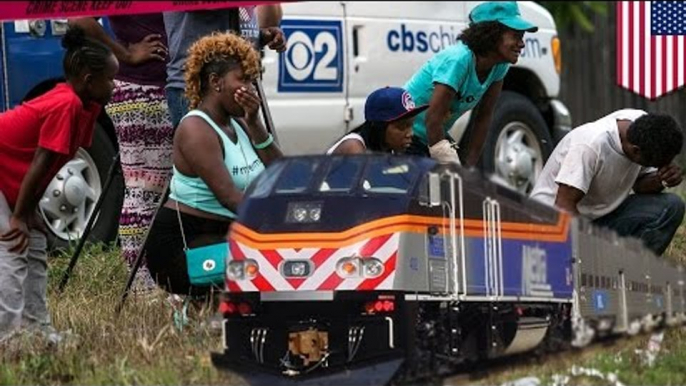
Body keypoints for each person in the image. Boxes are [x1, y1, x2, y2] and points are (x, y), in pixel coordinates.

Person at [0, 26, 117, 339]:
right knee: (12, 249)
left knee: (36, 246)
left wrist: (29, 212)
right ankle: (8, 338)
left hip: (12, 177)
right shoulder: (66, 105)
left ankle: (37, 330)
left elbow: (50, 167)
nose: (115, 85)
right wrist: (17, 216)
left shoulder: (87, 108)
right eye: (110, 78)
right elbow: (40, 163)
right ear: (89, 80)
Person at [144, 32, 282, 298]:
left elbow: (281, 175)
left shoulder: (240, 123)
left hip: (223, 237)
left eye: (252, 80)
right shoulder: (195, 128)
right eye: (243, 79)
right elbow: (230, 198)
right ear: (216, 82)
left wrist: (256, 126)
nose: (250, 88)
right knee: (273, 261)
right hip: (184, 247)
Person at [68, 14, 174, 292]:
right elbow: (79, 18)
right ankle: (142, 286)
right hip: (142, 90)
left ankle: (153, 280)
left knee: (151, 192)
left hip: (155, 87)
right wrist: (126, 53)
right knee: (144, 192)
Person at [530, 109, 685, 256]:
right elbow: (564, 207)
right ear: (636, 151)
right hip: (551, 224)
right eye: (655, 164)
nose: (656, 167)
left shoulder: (644, 129)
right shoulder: (589, 146)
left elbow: (639, 185)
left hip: (599, 219)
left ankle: (632, 272)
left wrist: (661, 179)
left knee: (672, 205)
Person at [403, 1, 537, 165]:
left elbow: (484, 117)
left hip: (430, 136)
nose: (522, 43)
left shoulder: (500, 67)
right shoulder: (459, 61)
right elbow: (433, 119)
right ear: (492, 34)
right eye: (516, 36)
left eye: (522, 37)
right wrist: (451, 167)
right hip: (404, 137)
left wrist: (469, 169)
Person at [164, 5, 287, 129]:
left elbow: (258, 20)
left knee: (240, 146)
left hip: (236, 86)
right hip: (199, 89)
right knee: (204, 145)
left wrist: (259, 36)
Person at [327, 87, 427, 155]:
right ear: (379, 127)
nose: (410, 133)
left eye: (411, 125)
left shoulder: (388, 150)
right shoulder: (354, 149)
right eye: (401, 127)